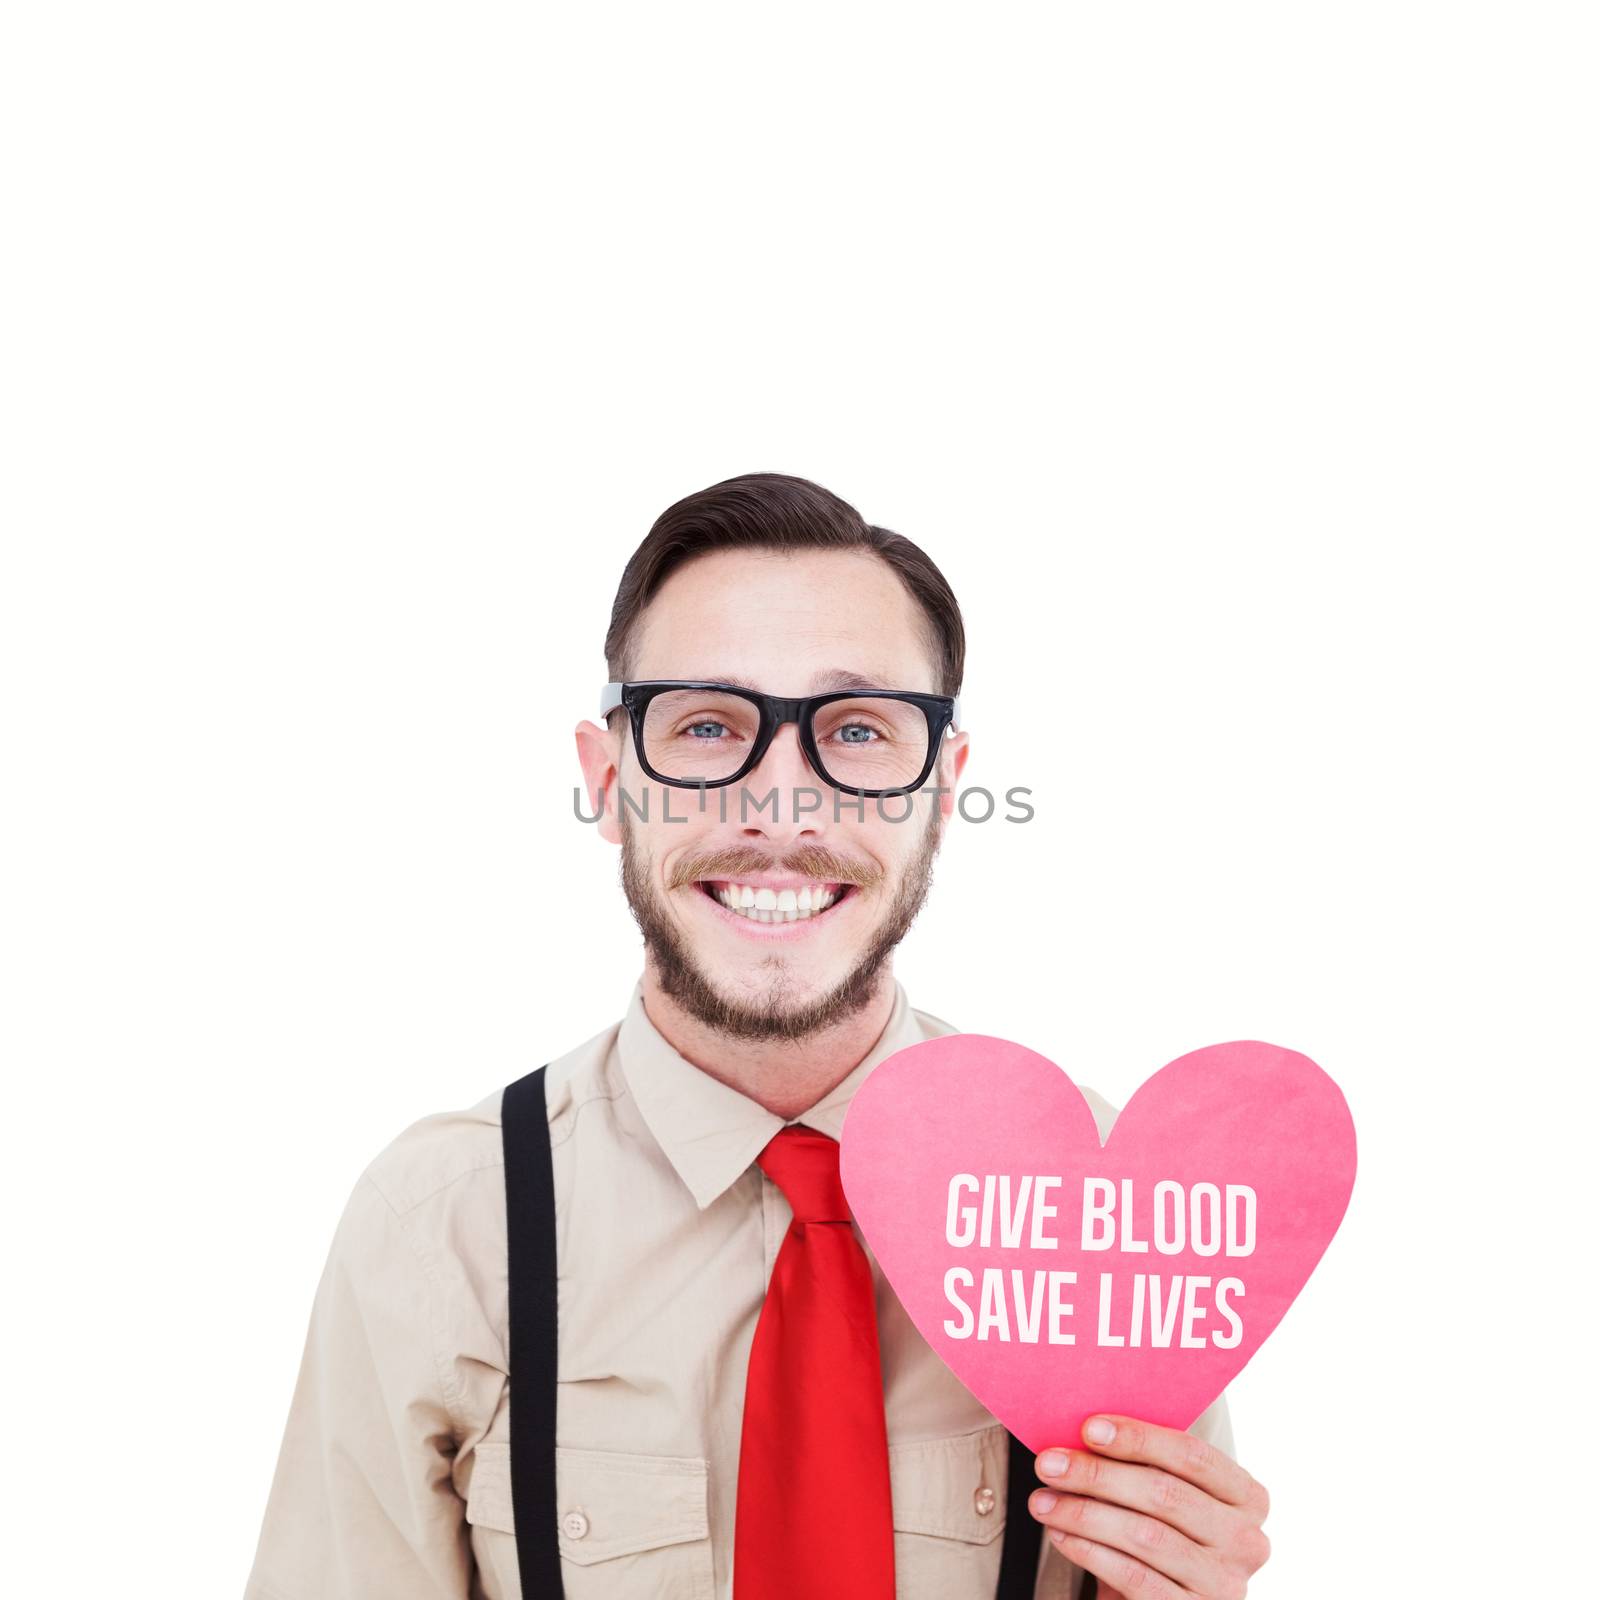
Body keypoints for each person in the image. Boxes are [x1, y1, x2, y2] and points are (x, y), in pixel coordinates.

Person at [245, 473, 1272, 1599]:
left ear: (940, 789)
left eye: (859, 730)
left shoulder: (1106, 1202)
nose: (782, 808)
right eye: (705, 726)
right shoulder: (442, 1223)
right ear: (607, 779)